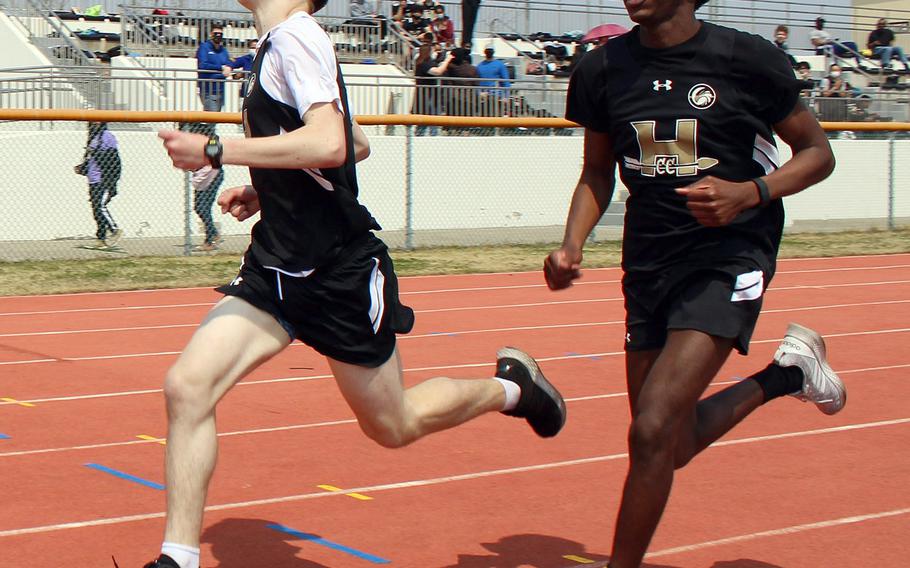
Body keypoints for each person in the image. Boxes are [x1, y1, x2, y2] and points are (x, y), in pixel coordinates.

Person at [147, 0, 566, 566]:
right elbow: (355, 144)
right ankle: (179, 558)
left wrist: (216, 149)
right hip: (277, 267)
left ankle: (514, 388)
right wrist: (268, 188)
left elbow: (331, 144)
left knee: (395, 425)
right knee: (188, 386)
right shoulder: (279, 44)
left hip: (338, 274)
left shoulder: (299, 37)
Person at [549, 1, 846, 567]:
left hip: (730, 252)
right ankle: (786, 376)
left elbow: (818, 154)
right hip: (649, 261)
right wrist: (572, 244)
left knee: (653, 427)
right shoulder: (602, 69)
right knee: (669, 441)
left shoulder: (747, 60)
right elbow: (596, 170)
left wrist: (750, 193)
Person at [74, 121, 122, 249]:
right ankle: (101, 239)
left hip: (102, 179)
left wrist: (112, 181)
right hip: (93, 178)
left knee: (100, 206)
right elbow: (92, 159)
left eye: (97, 122)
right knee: (96, 210)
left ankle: (114, 229)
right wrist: (83, 168)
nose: (93, 124)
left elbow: (113, 160)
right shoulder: (93, 137)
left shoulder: (106, 136)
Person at [196, 24, 239, 112]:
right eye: (216, 33)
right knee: (210, 119)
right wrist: (221, 68)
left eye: (220, 34)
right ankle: (189, 124)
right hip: (208, 90)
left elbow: (229, 62)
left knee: (215, 118)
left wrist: (229, 67)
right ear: (211, 34)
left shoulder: (223, 50)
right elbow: (202, 65)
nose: (218, 36)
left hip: (221, 90)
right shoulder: (204, 47)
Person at [413, 43, 453, 135]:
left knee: (425, 122)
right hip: (427, 98)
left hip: (426, 97)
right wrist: (447, 60)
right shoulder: (423, 64)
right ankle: (430, 138)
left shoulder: (420, 62)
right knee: (429, 121)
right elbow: (438, 71)